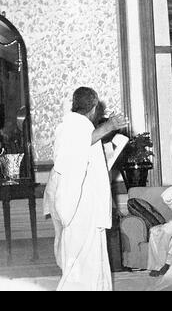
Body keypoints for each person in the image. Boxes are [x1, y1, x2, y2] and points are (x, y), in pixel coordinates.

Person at [43, 87, 128, 291]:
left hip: (86, 202)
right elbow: (75, 150)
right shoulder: (73, 126)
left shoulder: (80, 126)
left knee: (91, 258)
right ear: (94, 106)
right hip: (78, 203)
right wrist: (109, 126)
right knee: (78, 259)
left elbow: (86, 160)